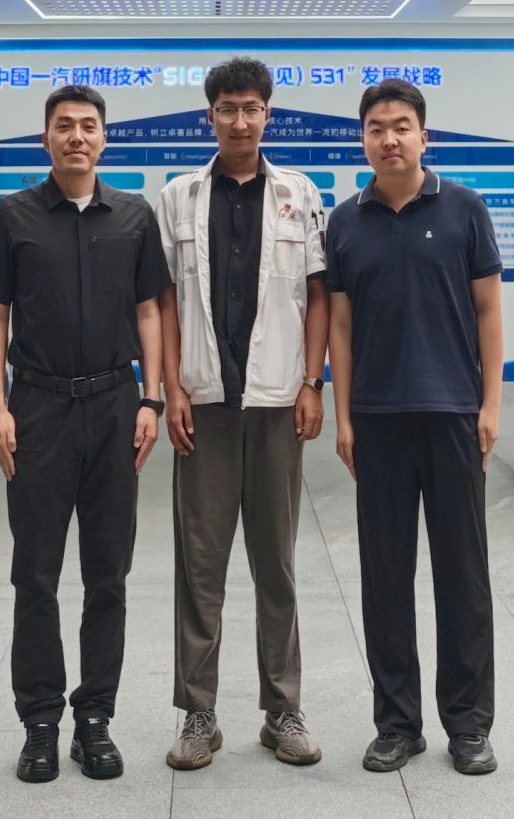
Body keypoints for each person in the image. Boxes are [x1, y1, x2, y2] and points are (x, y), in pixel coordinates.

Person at [0, 83, 172, 783]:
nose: (76, 136)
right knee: (36, 572)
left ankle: (95, 719)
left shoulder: (134, 216)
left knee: (108, 573)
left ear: (104, 138)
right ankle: (40, 721)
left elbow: (149, 311)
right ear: (46, 138)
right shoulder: (13, 215)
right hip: (39, 407)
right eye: (64, 126)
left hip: (115, 406)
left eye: (88, 125)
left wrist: (152, 398)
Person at [154, 57, 329, 770]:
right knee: (200, 564)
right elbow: (164, 301)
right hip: (205, 402)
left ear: (268, 114)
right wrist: (169, 387)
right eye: (226, 108)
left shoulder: (297, 192)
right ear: (210, 116)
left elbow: (318, 294)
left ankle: (282, 708)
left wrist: (312, 382)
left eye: (251, 108)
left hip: (277, 400)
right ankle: (198, 712)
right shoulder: (178, 195)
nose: (239, 120)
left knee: (275, 561)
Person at [326, 77, 503, 777]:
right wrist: (343, 415)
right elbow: (340, 325)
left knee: (464, 576)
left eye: (401, 126)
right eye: (376, 128)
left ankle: (469, 724)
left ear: (423, 136)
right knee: (385, 579)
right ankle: (397, 724)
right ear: (363, 140)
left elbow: (488, 311)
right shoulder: (345, 220)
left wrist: (490, 405)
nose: (389, 138)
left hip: (453, 413)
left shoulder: (463, 207)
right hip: (377, 420)